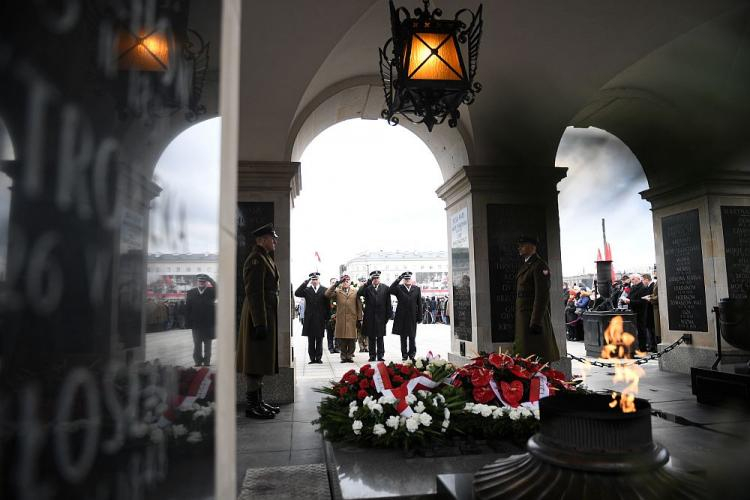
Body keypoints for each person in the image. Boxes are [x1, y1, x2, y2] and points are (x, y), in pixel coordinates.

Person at [236, 222, 281, 419]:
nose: (275, 241)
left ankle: (259, 401)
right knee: (255, 361)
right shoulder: (256, 259)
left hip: (264, 314)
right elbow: (254, 293)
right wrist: (259, 322)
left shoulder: (264, 258)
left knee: (260, 358)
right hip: (257, 315)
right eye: (272, 238)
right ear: (261, 240)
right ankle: (252, 405)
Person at [513, 235, 560, 363]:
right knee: (525, 354)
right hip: (524, 316)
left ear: (533, 247)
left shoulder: (539, 266)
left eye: (523, 244)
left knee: (535, 354)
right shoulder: (528, 264)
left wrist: (536, 321)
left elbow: (542, 295)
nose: (519, 247)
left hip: (532, 318)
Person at [325, 275, 362, 363]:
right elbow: (327, 294)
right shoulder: (338, 291)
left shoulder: (355, 291)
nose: (346, 282)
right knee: (342, 339)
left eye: (347, 280)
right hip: (341, 319)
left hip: (352, 318)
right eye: (344, 281)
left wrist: (359, 318)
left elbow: (359, 306)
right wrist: (336, 284)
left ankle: (349, 356)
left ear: (350, 282)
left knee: (352, 339)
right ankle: (343, 356)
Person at [357, 270, 393, 361]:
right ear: (371, 279)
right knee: (371, 336)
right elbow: (359, 293)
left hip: (381, 316)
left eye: (377, 278)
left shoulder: (385, 288)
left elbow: (388, 303)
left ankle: (380, 355)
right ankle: (372, 355)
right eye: (374, 278)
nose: (376, 279)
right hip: (370, 317)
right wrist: (367, 283)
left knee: (380, 337)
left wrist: (388, 315)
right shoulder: (368, 288)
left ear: (379, 278)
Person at [294, 272, 328, 364]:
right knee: (311, 339)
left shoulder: (324, 289)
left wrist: (327, 317)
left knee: (319, 339)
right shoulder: (306, 290)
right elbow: (297, 293)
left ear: (319, 280)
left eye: (316, 279)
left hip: (320, 318)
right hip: (310, 319)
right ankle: (312, 358)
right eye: (313, 279)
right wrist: (306, 282)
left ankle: (319, 357)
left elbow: (327, 305)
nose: (314, 281)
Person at [185, 274, 216, 366]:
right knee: (197, 344)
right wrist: (187, 322)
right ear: (197, 282)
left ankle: (206, 361)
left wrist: (211, 280)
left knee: (207, 345)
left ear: (206, 282)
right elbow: (188, 309)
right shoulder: (191, 292)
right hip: (196, 324)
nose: (201, 283)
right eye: (200, 281)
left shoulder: (212, 291)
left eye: (203, 281)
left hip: (208, 324)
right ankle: (198, 362)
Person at [390, 271, 422, 361]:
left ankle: (412, 354)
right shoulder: (399, 288)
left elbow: (419, 303)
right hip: (402, 316)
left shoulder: (416, 289)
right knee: (403, 337)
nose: (407, 280)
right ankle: (404, 354)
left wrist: (420, 316)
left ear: (411, 280)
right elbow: (390, 289)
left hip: (412, 316)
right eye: (406, 279)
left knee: (412, 336)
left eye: (409, 279)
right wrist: (399, 279)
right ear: (403, 280)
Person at [355, 277, 369, 353]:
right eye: (361, 281)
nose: (363, 282)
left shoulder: (367, 290)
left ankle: (366, 346)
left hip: (367, 314)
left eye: (364, 281)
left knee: (367, 331)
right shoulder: (357, 291)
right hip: (359, 313)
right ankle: (361, 346)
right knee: (360, 331)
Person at [326, 277, 339, 354]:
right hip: (329, 316)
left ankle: (337, 347)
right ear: (330, 283)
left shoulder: (338, 292)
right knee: (330, 333)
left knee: (337, 332)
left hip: (338, 315)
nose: (334, 283)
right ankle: (331, 348)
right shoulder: (328, 292)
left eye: (335, 282)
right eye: (332, 282)